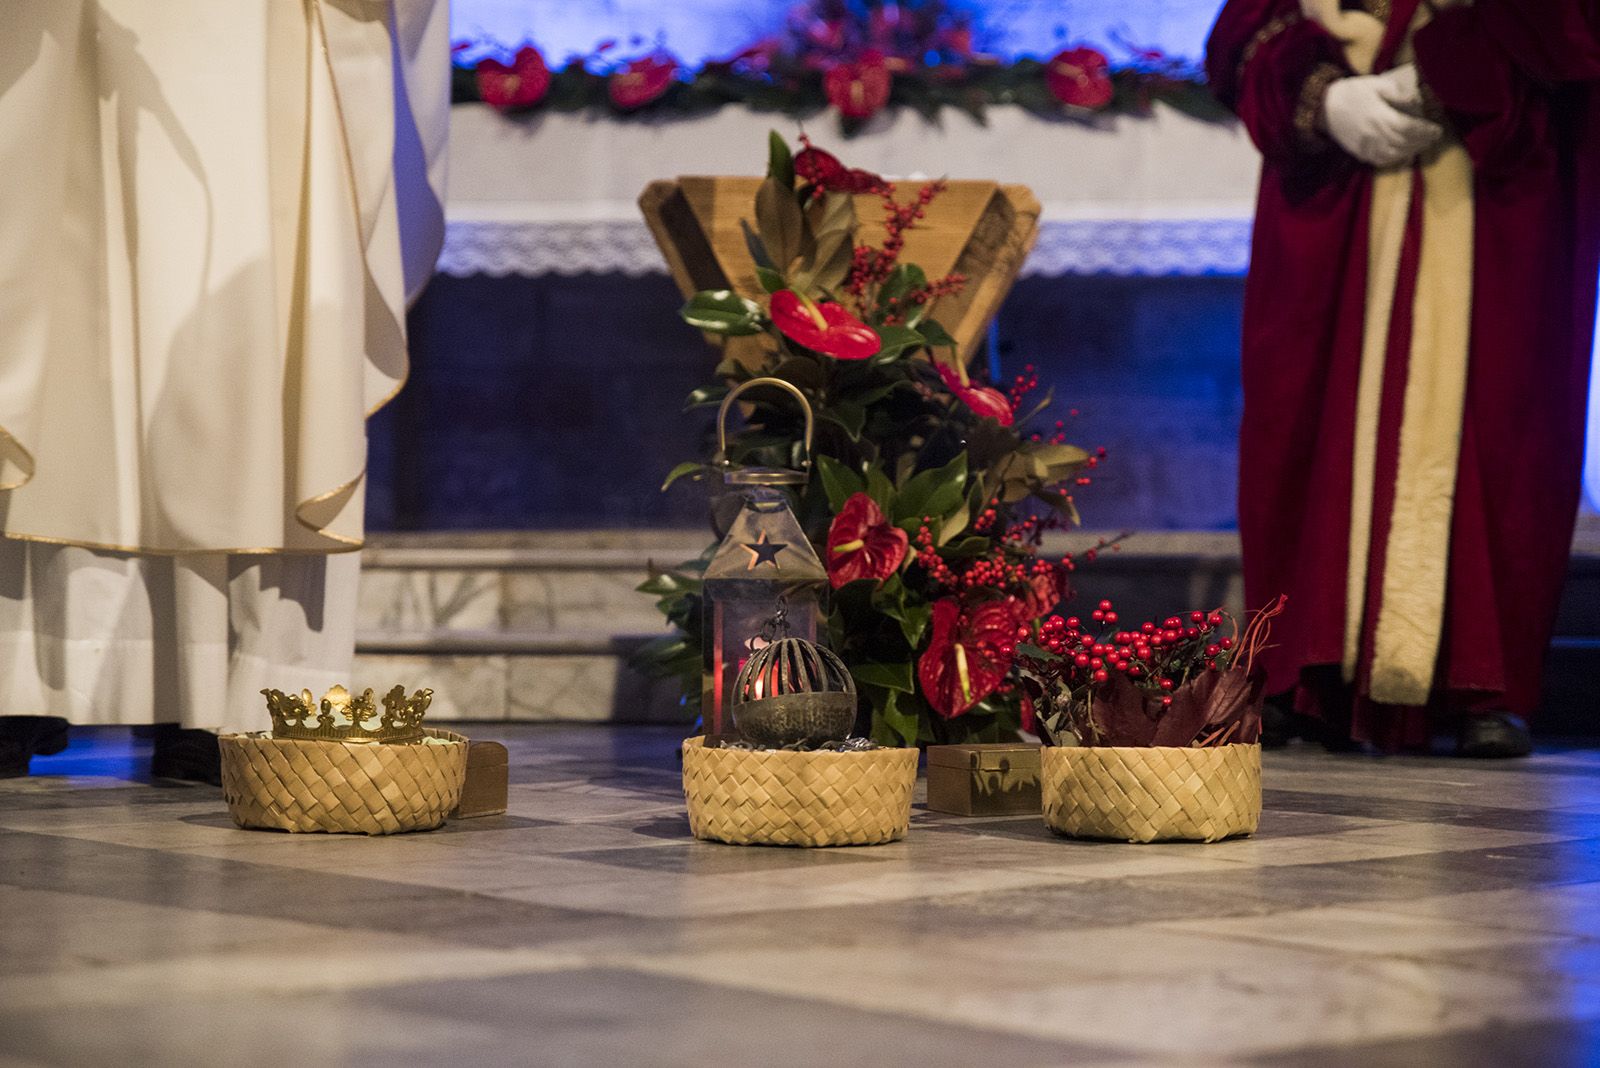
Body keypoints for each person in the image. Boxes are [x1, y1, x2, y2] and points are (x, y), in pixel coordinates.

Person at [0, 1, 449, 780]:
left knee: (238, 335)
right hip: (61, 33)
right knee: (50, 328)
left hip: (260, 36)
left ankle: (233, 696)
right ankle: (19, 677)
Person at [1206, 0, 1600, 754]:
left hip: (1501, 172)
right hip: (1335, 177)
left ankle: (1482, 681)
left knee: (1508, 416)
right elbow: (1243, 29)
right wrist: (1320, 93)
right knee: (1301, 412)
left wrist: (1464, 60)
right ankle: (1299, 669)